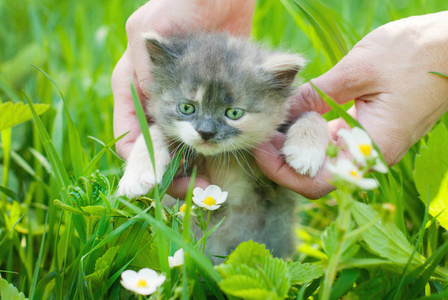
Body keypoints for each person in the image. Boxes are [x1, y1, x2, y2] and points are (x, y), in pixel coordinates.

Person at [111, 0, 448, 199]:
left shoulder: (275, 104)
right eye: (188, 108)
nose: (205, 130)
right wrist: (150, 143)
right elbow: (160, 131)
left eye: (233, 112)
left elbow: (300, 119)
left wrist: (311, 127)